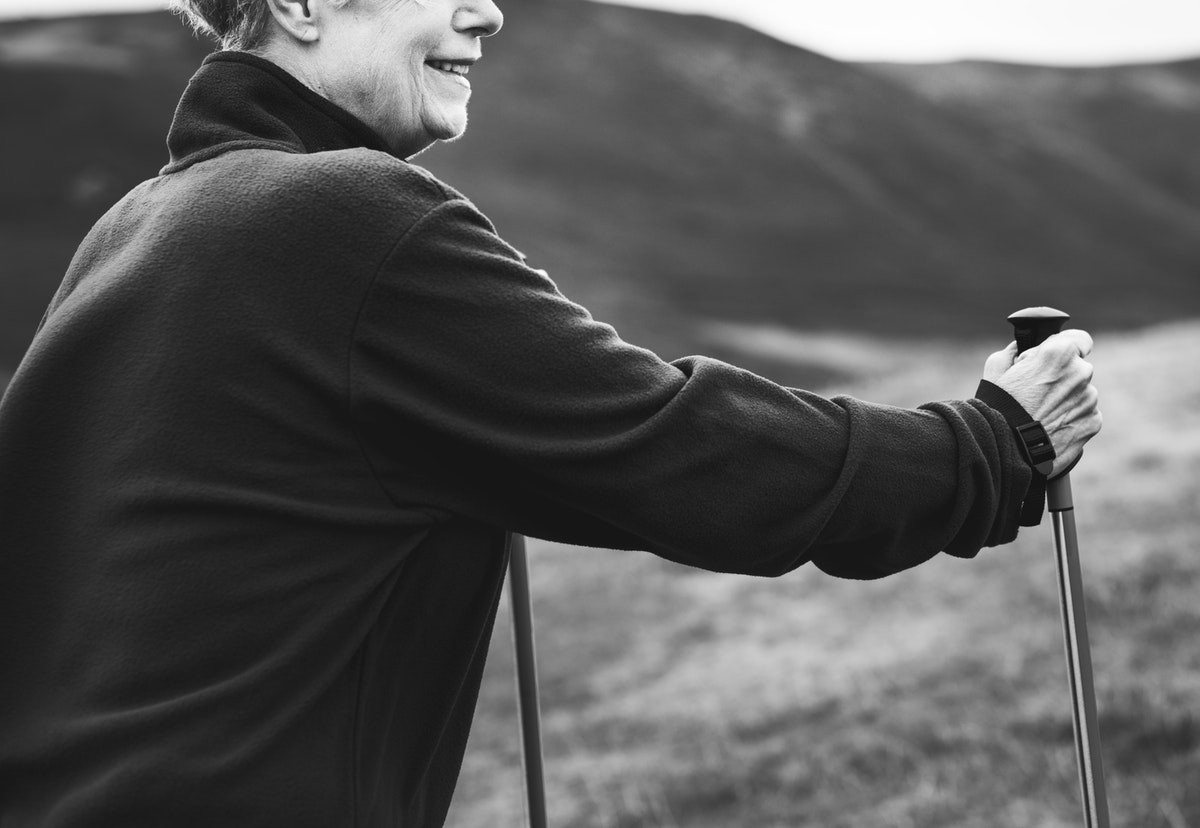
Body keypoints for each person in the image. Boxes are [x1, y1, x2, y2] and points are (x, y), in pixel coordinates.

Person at [0, 0, 1101, 825]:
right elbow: (686, 453)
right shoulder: (342, 216)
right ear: (299, 2)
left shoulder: (138, 228)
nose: (488, 11)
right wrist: (997, 440)